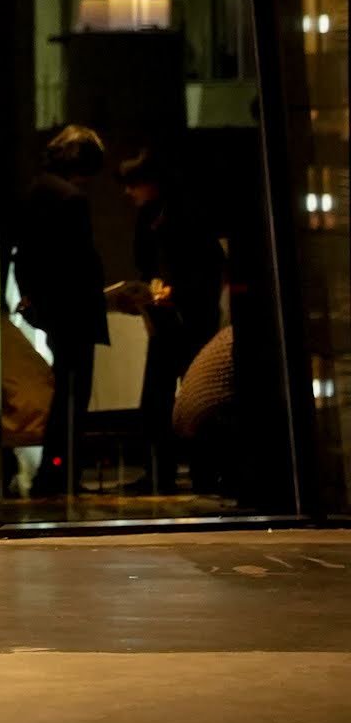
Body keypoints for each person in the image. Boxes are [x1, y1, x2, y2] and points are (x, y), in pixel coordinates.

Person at [11, 125, 109, 498]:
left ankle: (53, 473)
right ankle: (61, 472)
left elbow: (26, 257)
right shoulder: (72, 200)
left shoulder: (36, 192)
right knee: (74, 396)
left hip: (52, 310)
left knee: (63, 392)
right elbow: (81, 265)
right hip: (75, 311)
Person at [119, 151, 226, 492]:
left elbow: (207, 268)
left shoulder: (183, 214)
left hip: (188, 317)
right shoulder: (156, 216)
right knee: (164, 396)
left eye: (134, 184)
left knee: (192, 394)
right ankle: (173, 472)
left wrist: (174, 292)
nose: (129, 192)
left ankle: (194, 471)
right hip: (169, 317)